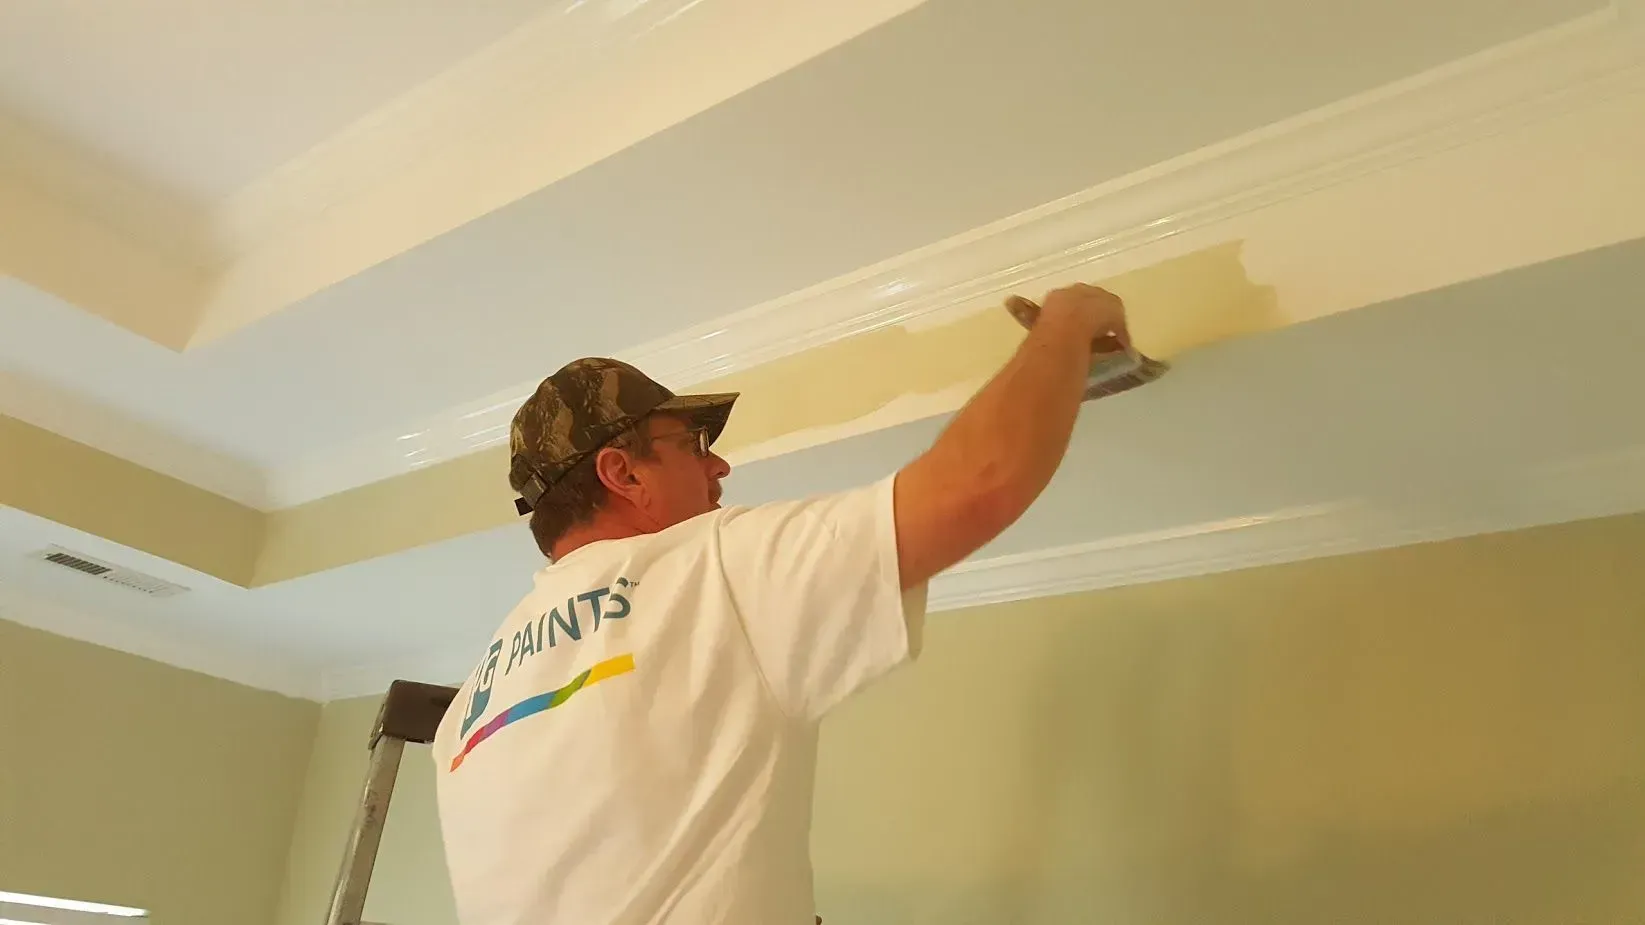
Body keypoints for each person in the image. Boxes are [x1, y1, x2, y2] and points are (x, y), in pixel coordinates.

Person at [430, 283, 1133, 924]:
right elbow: (979, 483)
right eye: (692, 443)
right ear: (622, 472)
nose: (718, 465)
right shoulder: (703, 569)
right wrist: (1068, 321)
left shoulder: (464, 714)